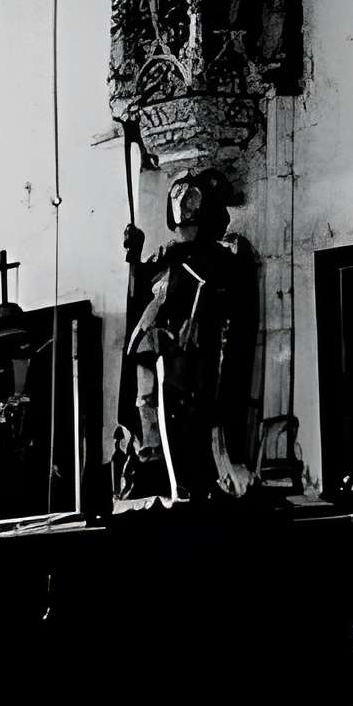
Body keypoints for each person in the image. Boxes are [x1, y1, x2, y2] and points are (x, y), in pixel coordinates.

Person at [115, 169, 259, 504]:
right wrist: (134, 259)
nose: (185, 224)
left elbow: (232, 308)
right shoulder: (164, 257)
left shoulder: (224, 256)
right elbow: (141, 301)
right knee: (150, 402)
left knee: (195, 421)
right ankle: (155, 462)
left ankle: (196, 476)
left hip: (200, 354)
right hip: (162, 350)